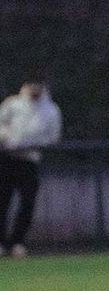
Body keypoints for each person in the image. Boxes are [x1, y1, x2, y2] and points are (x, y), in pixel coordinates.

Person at [0, 72, 63, 258]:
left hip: (30, 160)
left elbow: (54, 136)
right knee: (3, 201)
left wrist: (36, 143)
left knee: (27, 203)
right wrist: (8, 138)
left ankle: (17, 242)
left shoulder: (51, 110)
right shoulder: (12, 104)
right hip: (7, 158)